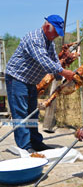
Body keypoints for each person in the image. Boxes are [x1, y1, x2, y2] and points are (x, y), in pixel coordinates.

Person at [5, 14, 75, 153]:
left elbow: (54, 60)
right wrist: (63, 72)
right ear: (47, 26)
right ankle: (25, 147)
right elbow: (44, 61)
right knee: (21, 113)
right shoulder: (35, 38)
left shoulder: (50, 42)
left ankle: (36, 143)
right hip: (17, 78)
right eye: (55, 32)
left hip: (30, 81)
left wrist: (60, 76)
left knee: (32, 113)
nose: (56, 35)